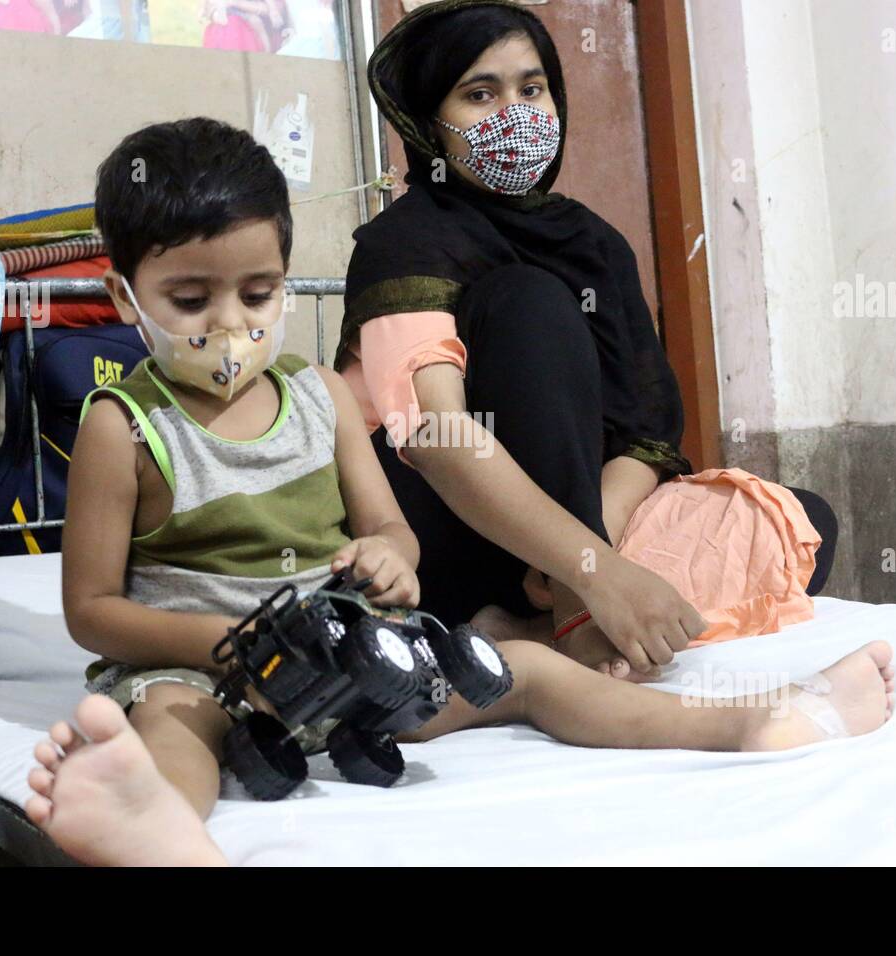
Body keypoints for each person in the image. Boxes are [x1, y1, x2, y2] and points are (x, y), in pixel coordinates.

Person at [55, 115, 893, 851]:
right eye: (191, 299)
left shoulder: (322, 399)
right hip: (207, 674)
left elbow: (392, 531)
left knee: (526, 670)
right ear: (124, 298)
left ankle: (752, 718)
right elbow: (92, 611)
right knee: (176, 724)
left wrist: (388, 562)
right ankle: (152, 824)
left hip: (348, 669)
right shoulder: (123, 427)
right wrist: (220, 641)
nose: (231, 325)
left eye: (258, 291)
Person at [335, 0, 839, 682]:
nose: (515, 113)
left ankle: (528, 628)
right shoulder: (405, 242)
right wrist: (591, 573)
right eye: (480, 94)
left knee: (796, 523)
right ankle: (573, 614)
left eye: (532, 89)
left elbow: (642, 436)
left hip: (567, 534)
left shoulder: (594, 244)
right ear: (430, 124)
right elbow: (437, 436)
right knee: (528, 303)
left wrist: (592, 549)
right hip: (444, 523)